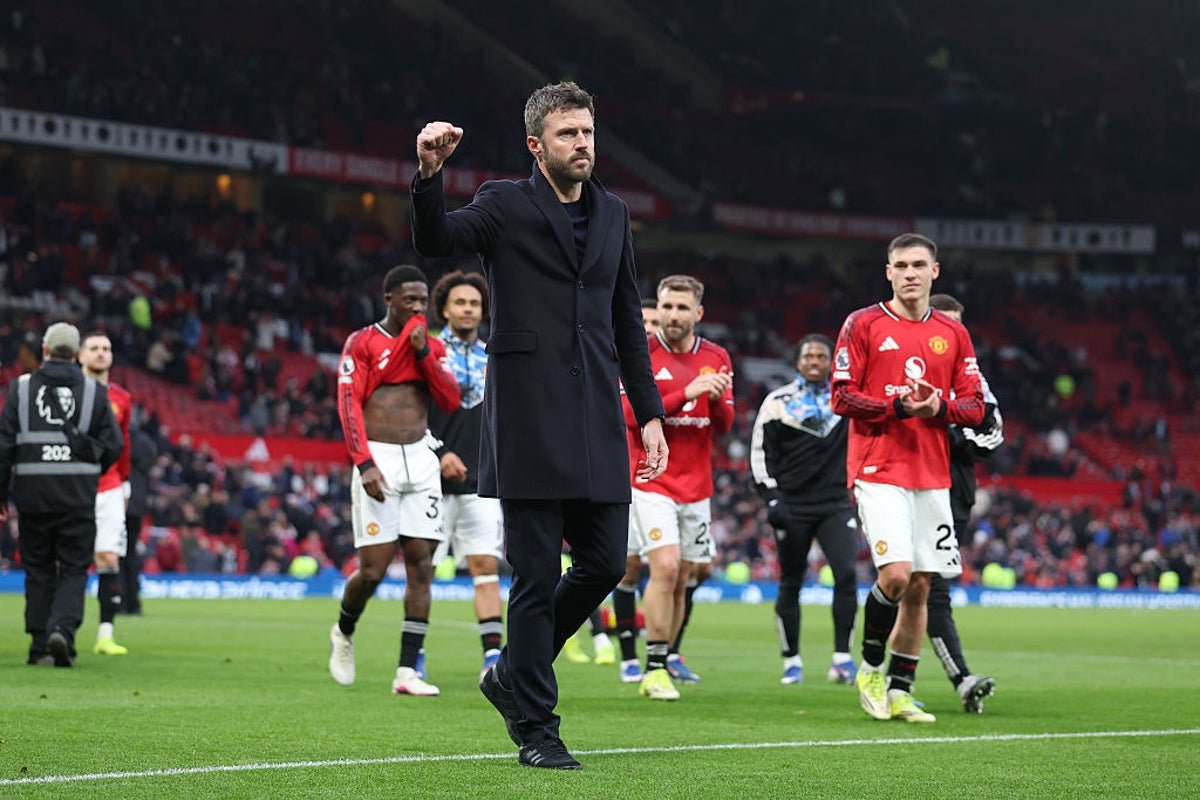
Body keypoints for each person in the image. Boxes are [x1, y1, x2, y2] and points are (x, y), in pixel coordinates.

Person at [411, 81, 667, 769]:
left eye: (587, 132)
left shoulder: (614, 213)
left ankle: (510, 675)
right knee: (533, 576)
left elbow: (627, 320)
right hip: (527, 414)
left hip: (597, 416)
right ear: (535, 144)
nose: (582, 144)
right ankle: (536, 728)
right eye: (567, 134)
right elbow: (438, 240)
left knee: (605, 563)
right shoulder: (503, 203)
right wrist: (429, 176)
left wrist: (649, 413)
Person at [831, 233, 984, 723]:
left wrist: (939, 406)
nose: (910, 273)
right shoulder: (863, 324)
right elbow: (841, 397)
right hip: (877, 468)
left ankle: (901, 689)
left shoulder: (953, 334)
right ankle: (870, 667)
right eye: (901, 265)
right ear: (889, 272)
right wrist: (896, 406)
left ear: (935, 271)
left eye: (919, 264)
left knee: (920, 585)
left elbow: (975, 407)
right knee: (896, 574)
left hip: (932, 472)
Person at [327, 265, 462, 697]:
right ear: (389, 300)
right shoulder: (363, 342)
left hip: (420, 459)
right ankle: (343, 631)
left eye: (423, 300)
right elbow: (348, 402)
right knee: (373, 571)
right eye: (410, 300)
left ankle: (406, 672)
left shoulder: (432, 346)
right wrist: (363, 463)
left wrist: (423, 355)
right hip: (379, 458)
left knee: (422, 564)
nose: (419, 307)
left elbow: (451, 399)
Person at [622, 274, 733, 700]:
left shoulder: (717, 357)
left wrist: (717, 399)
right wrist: (688, 391)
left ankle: (666, 659)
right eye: (667, 306)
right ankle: (652, 669)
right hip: (651, 479)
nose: (672, 315)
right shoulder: (641, 353)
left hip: (697, 485)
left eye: (681, 308)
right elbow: (629, 414)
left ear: (698, 313)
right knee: (665, 567)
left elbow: (723, 425)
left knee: (685, 575)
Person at [0, 322, 123, 667]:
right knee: (73, 567)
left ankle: (39, 643)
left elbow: (4, 446)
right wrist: (91, 467)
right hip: (77, 496)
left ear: (45, 350)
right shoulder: (95, 392)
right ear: (78, 353)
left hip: (32, 495)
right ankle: (63, 631)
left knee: (38, 568)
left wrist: (1, 493)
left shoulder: (20, 389)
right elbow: (114, 444)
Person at [751, 333, 859, 686]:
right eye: (808, 356)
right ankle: (791, 661)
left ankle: (842, 659)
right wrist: (771, 497)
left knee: (847, 574)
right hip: (792, 505)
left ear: (831, 362)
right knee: (791, 580)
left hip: (835, 504)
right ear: (797, 361)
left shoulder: (847, 401)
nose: (815, 362)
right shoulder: (777, 403)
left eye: (821, 357)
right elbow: (760, 454)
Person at [427, 270, 505, 680]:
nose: (468, 309)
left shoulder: (495, 357)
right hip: (428, 481)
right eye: (460, 302)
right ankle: (414, 655)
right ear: (444, 309)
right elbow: (410, 414)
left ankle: (492, 657)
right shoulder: (428, 353)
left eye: (475, 303)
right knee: (422, 570)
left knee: (484, 564)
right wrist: (438, 453)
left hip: (481, 482)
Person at [926, 293, 1002, 712]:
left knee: (929, 587)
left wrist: (946, 424)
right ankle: (956, 677)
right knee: (908, 584)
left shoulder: (975, 382)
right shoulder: (905, 368)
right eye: (944, 322)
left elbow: (991, 436)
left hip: (953, 495)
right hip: (904, 485)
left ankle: (892, 677)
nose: (951, 332)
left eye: (958, 325)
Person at [78, 332, 133, 655]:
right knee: (65, 560)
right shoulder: (69, 394)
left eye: (106, 348)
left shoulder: (121, 398)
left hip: (110, 486)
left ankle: (105, 635)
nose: (101, 353)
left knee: (109, 557)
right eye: (94, 348)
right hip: (73, 485)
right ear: (80, 355)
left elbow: (123, 442)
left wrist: (125, 481)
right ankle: (60, 627)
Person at [120, 425, 156, 616]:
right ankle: (133, 602)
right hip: (137, 505)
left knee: (119, 553)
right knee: (131, 553)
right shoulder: (145, 443)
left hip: (120, 501)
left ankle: (121, 600)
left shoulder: (119, 439)